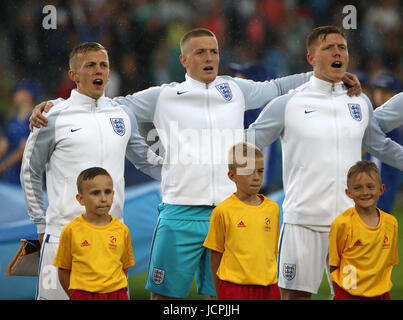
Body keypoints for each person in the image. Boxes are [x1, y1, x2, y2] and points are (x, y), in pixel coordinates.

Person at [29, 28, 361, 300]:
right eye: (200, 52)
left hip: (229, 214)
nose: (209, 58)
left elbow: (275, 87)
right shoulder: (164, 95)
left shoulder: (235, 89)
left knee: (226, 297)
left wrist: (327, 77)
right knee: (165, 297)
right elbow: (106, 103)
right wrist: (58, 105)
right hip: (179, 212)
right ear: (184, 60)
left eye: (214, 52)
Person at [246, 26, 403, 300]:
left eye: (342, 47)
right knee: (294, 297)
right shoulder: (288, 103)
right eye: (328, 47)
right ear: (310, 58)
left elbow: (380, 146)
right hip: (301, 223)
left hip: (350, 224)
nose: (337, 51)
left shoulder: (360, 102)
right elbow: (246, 144)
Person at [20, 42, 161, 300]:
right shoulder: (51, 116)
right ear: (74, 75)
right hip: (63, 236)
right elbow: (29, 171)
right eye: (90, 65)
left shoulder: (122, 113)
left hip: (111, 237)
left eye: (104, 65)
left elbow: (147, 161)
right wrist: (40, 223)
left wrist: (189, 167)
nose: (99, 70)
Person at [203, 142, 280, 300]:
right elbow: (215, 257)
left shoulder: (273, 209)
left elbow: (271, 252)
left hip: (269, 289)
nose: (256, 177)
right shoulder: (223, 211)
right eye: (249, 172)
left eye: (260, 171)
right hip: (234, 290)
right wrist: (220, 293)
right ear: (232, 176)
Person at [54, 167, 135, 300]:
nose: (103, 198)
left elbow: (124, 267)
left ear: (113, 194)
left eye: (108, 192)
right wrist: (76, 296)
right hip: (83, 295)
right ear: (81, 199)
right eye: (95, 193)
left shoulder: (122, 230)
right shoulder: (71, 230)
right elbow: (63, 270)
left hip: (117, 294)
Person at [329, 161, 398, 300]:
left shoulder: (391, 224)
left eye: (370, 186)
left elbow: (388, 264)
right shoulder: (342, 224)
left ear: (381, 189)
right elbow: (334, 266)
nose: (365, 192)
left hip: (381, 295)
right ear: (348, 193)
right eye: (358, 188)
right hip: (348, 295)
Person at [366, 71, 402, 212]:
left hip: (383, 197)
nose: (381, 95)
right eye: (378, 90)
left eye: (386, 91)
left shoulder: (391, 128)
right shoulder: (371, 120)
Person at [0, 86, 33, 184]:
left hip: (27, 178)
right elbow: (4, 144)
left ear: (29, 95)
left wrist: (2, 167)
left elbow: (24, 150)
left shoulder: (35, 118)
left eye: (19, 91)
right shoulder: (13, 121)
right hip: (9, 177)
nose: (16, 94)